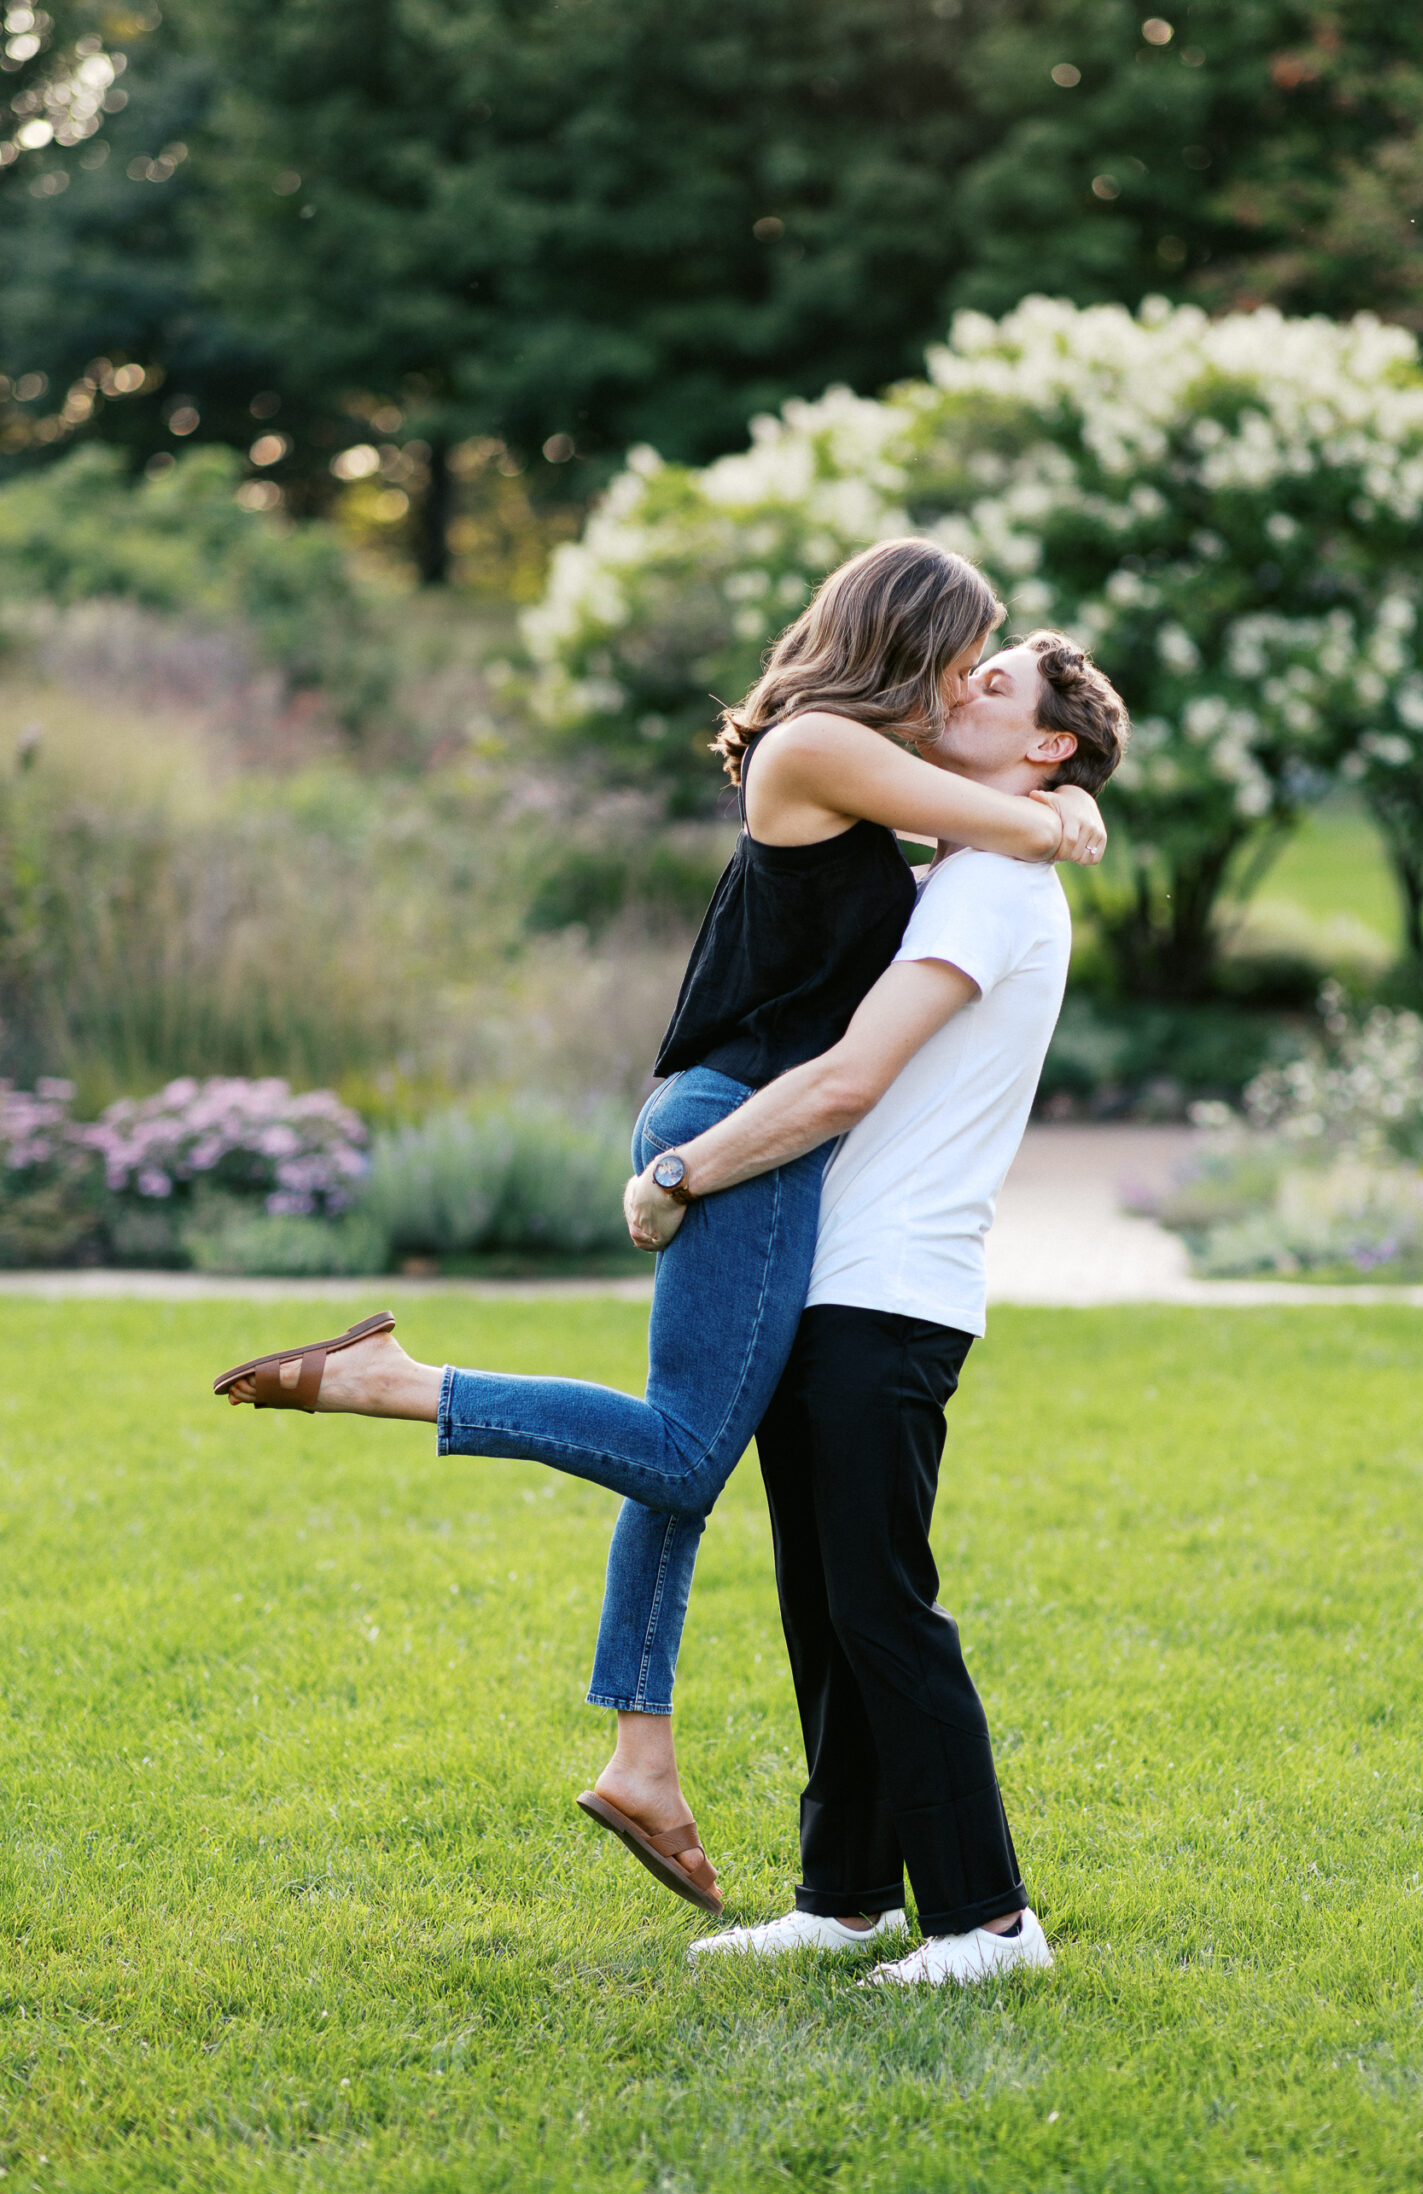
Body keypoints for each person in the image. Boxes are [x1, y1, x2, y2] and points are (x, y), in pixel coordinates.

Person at [213, 541, 1108, 1918]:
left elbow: (982, 846)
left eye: (986, 673)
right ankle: (394, 1384)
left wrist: (1051, 805)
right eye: (958, 658)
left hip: (750, 1139)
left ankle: (666, 1771)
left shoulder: (918, 825)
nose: (957, 685)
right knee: (690, 1447)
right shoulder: (818, 745)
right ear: (904, 644)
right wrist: (1062, 813)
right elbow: (1005, 830)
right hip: (733, 1123)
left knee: (698, 1454)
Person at [620, 631, 1129, 1984]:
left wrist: (685, 1169)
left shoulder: (989, 888)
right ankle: (846, 1896)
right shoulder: (970, 866)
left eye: (998, 685)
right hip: (846, 1279)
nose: (964, 687)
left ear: (1048, 746)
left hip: (886, 1288)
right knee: (828, 1602)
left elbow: (849, 1080)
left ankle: (992, 1922)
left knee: (883, 1606)